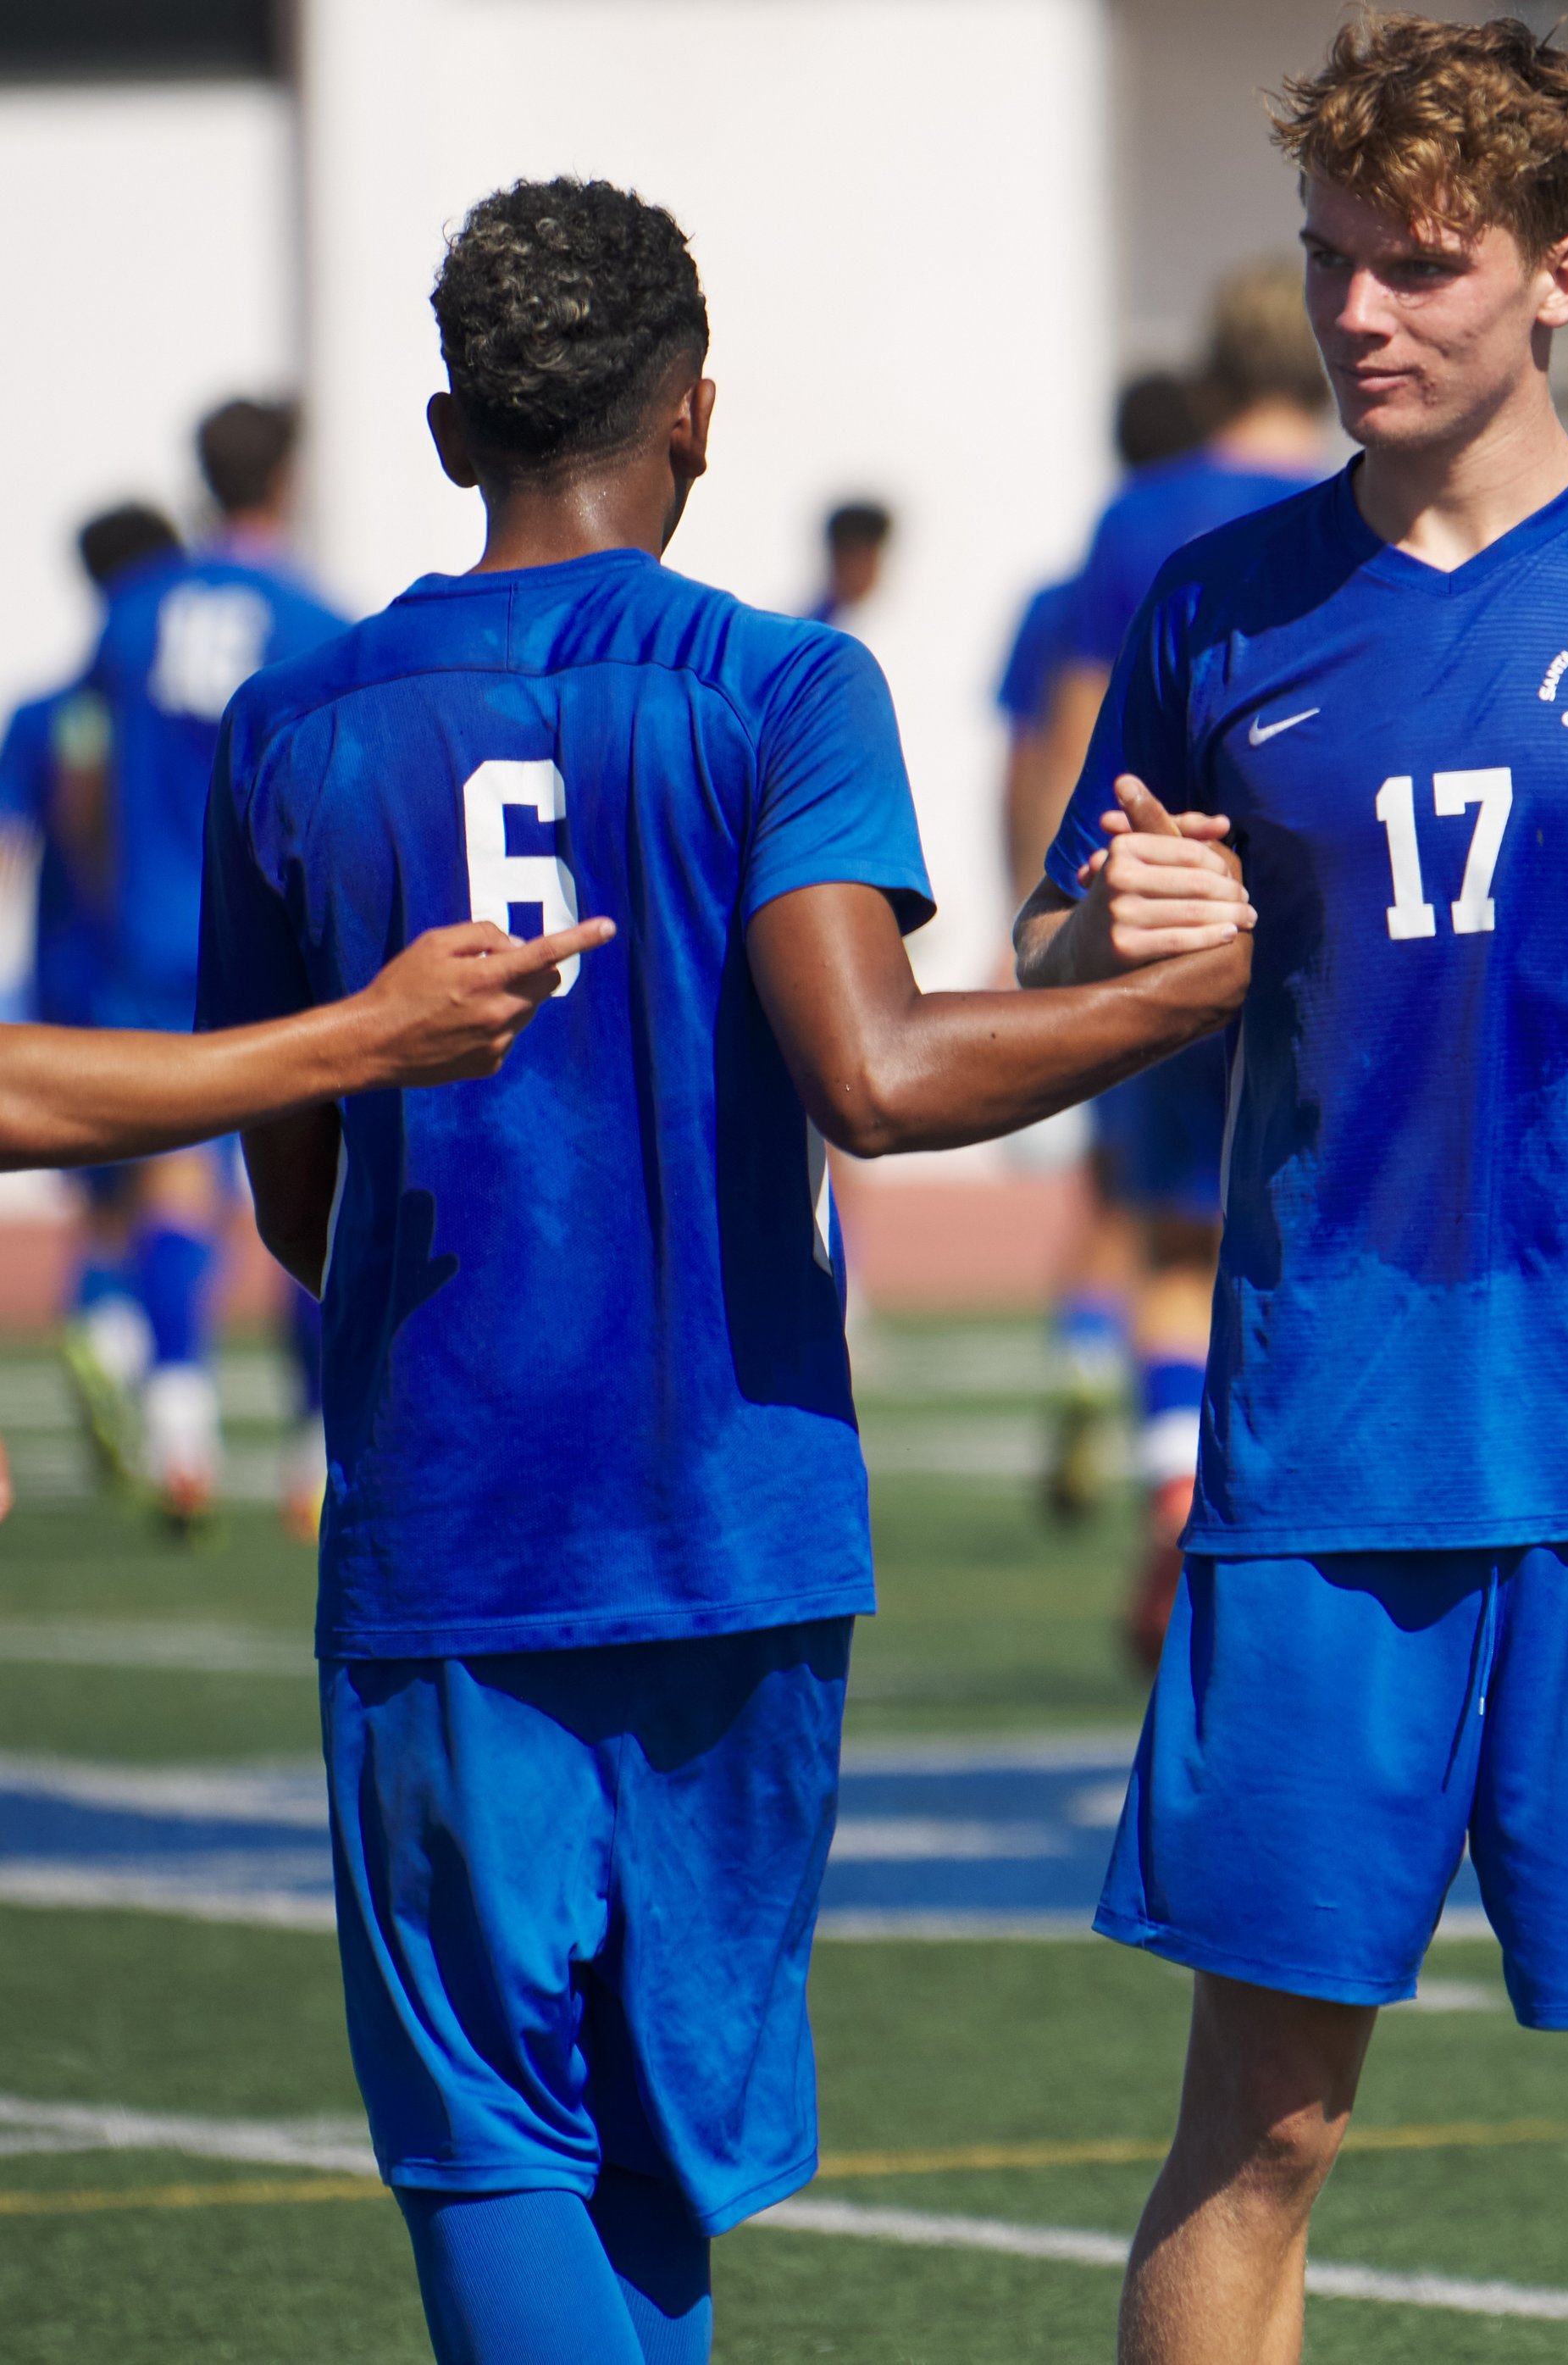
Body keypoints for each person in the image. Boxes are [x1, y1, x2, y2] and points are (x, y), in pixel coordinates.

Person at [195, 177, 1249, 2365]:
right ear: (696, 413)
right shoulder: (781, 687)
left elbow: (291, 1194)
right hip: (742, 1520)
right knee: (665, 2131)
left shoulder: (298, 725)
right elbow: (871, 1068)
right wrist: (1171, 998)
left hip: (457, 1528)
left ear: (441, 422)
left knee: (495, 2120)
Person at [1017, 18, 1568, 2363]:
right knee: (1262, 2121)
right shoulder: (1216, 608)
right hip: (1322, 1462)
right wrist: (1103, 941)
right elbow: (1053, 944)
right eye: (1328, 262)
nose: (1356, 317)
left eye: (1415, 266)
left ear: (1558, 276)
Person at [1044, 267, 1333, 1659]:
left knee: (1168, 1229)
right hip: (1330, 917)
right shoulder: (1360, 496)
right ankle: (1277, 1523)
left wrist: (1050, 898)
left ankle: (1176, 1492)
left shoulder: (1141, 520)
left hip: (1162, 903)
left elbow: (1073, 720)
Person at [0, 915, 612, 1522]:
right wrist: (369, 1034)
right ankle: (280, 1431)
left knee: (178, 1185)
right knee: (267, 1182)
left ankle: (156, 1386)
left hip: (142, 927)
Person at [90, 400, 347, 1523]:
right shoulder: (313, 617)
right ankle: (312, 1449)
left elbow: (82, 771)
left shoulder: (129, 616)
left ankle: (181, 1420)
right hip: (267, 931)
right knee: (308, 1171)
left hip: (146, 931)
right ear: (284, 479)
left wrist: (104, 894)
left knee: (170, 1177)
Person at [997, 372, 1205, 1523]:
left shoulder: (1079, 580)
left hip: (1111, 903)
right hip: (1227, 911)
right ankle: (1182, 1460)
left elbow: (1042, 746)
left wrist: (1032, 908)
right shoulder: (1295, 540)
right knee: (1206, 1220)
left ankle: (1090, 1353)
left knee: (1132, 1197)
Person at [0, 502, 183, 1471]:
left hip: (66, 971)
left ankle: (102, 1321)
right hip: (145, 964)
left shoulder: (43, 709)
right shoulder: (141, 703)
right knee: (180, 1166)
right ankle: (167, 1396)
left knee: (107, 1190)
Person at [805, 498, 893, 630]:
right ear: (837, 558)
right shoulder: (817, 628)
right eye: (857, 556)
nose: (866, 570)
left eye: (871, 557)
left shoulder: (854, 618)